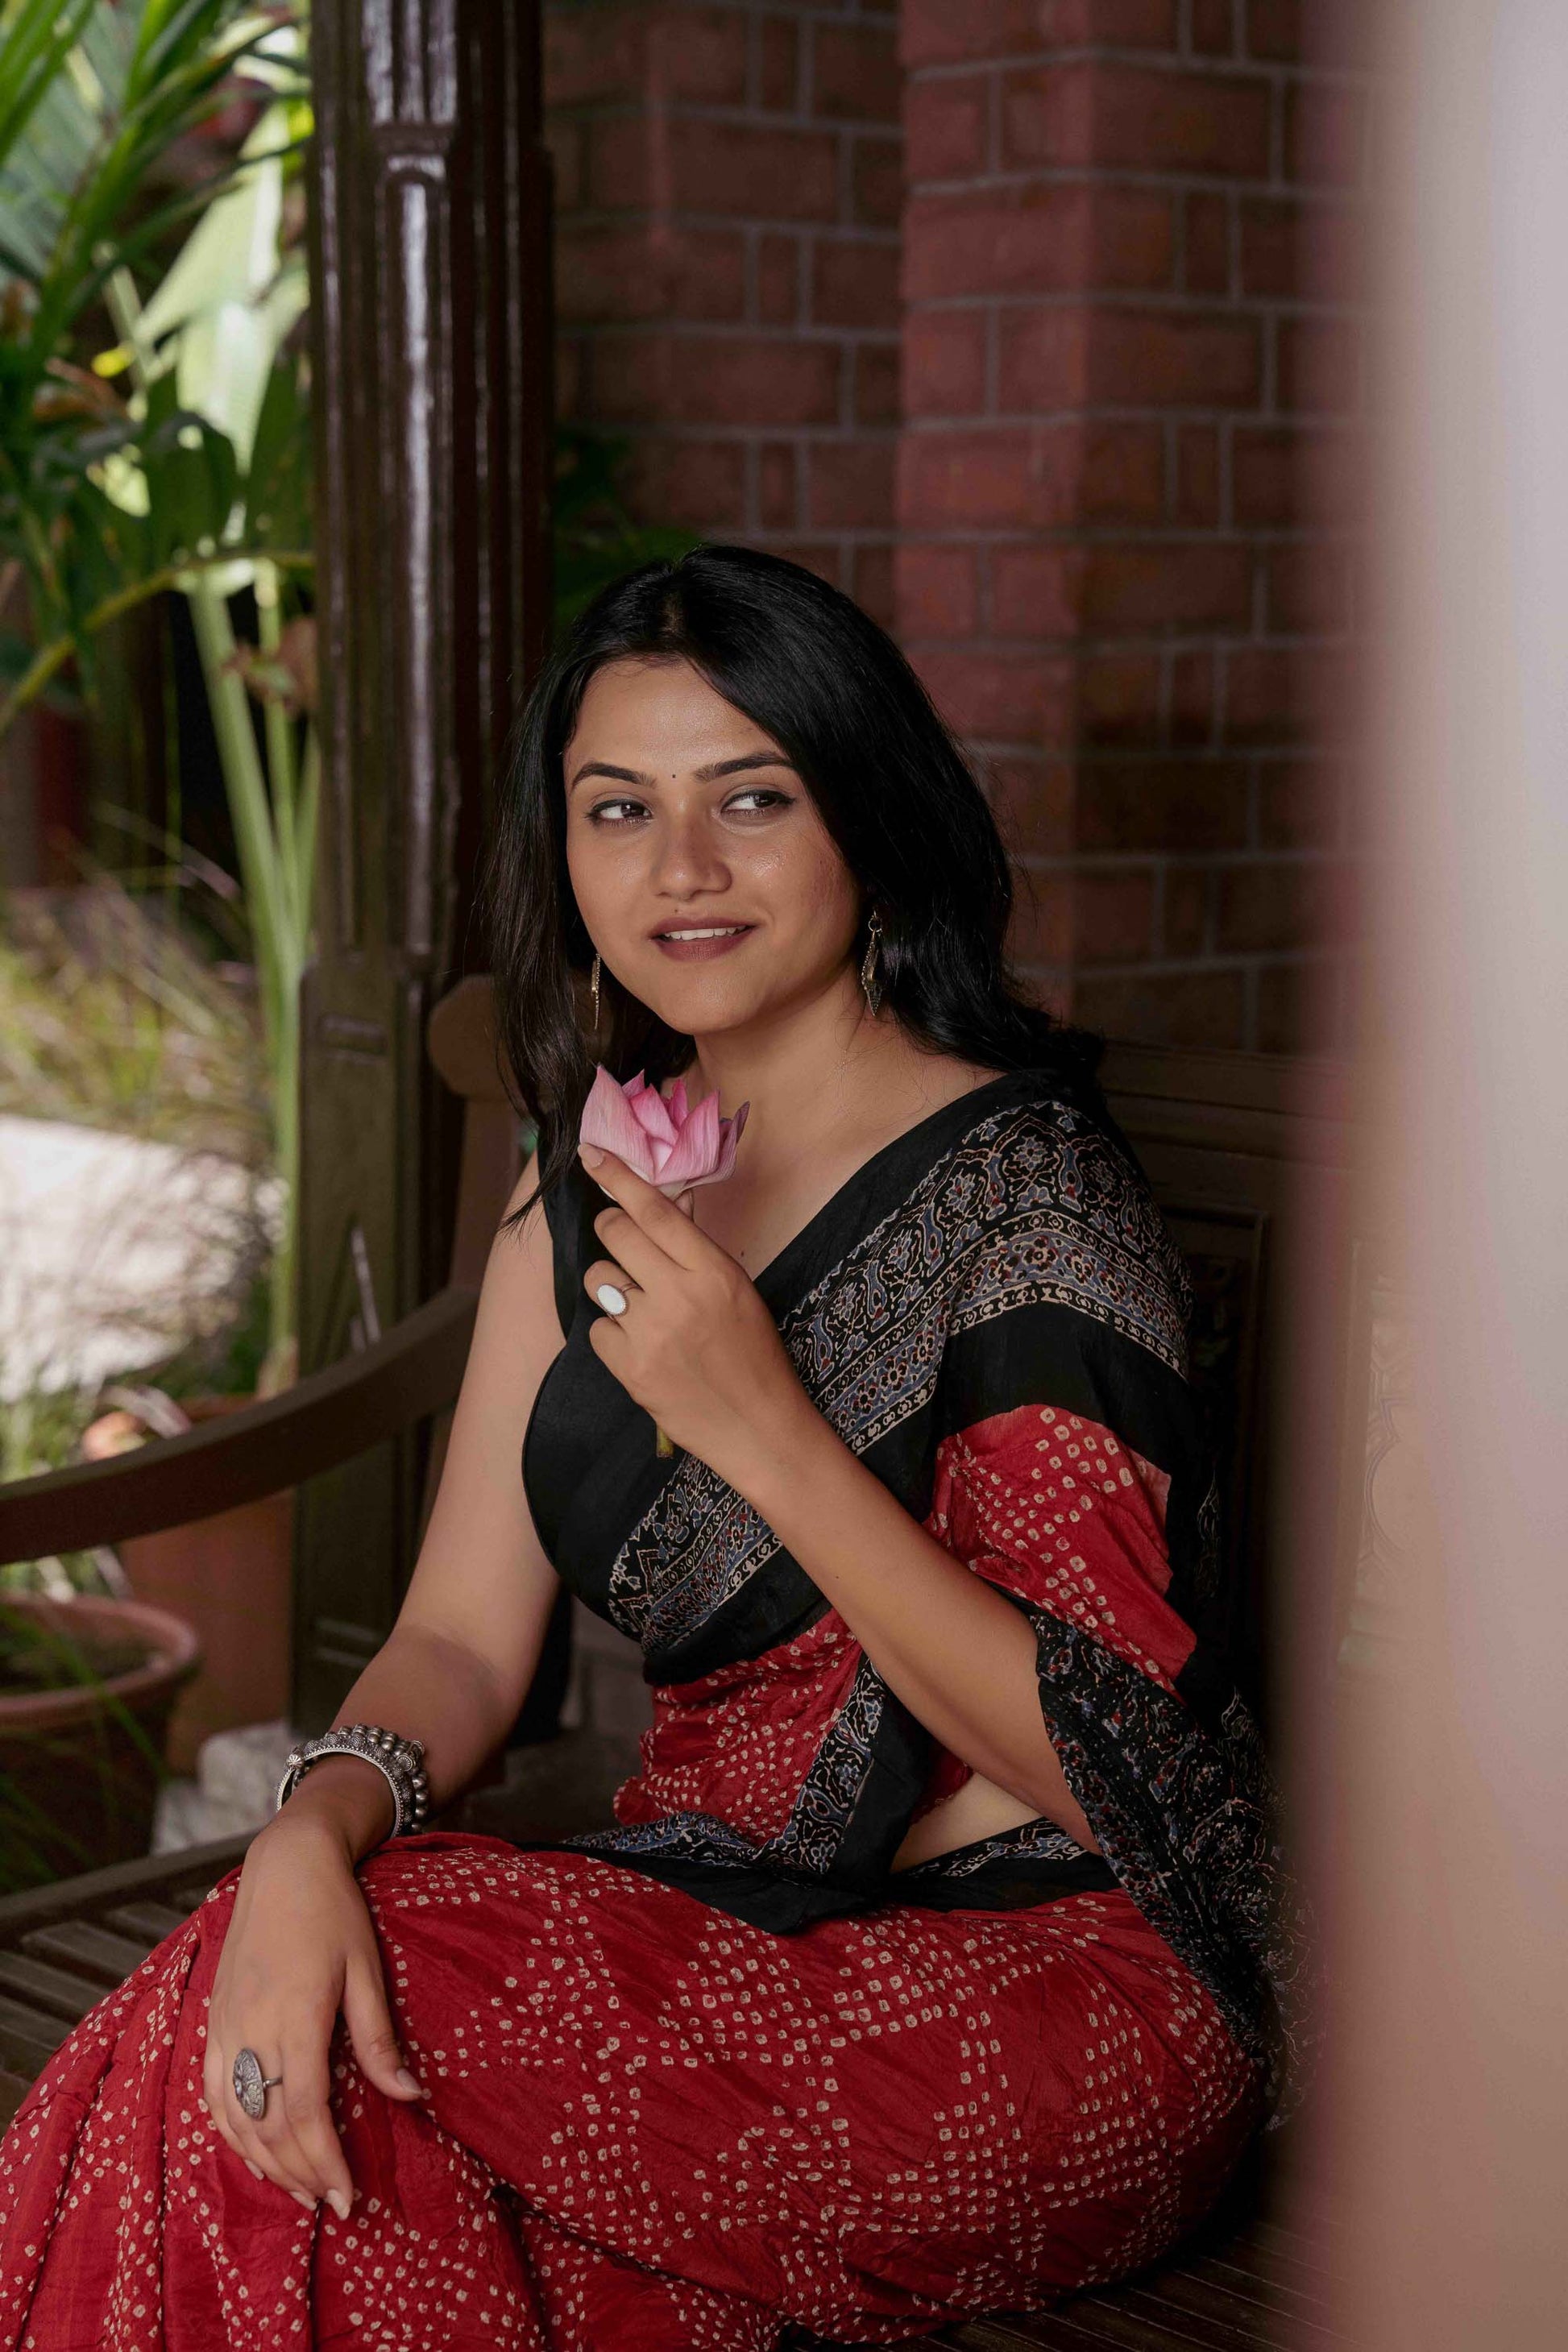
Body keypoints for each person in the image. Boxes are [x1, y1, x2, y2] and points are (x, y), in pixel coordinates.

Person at [0, 547, 1308, 2350]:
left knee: (321, 2025)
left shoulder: (1030, 1206)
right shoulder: (588, 1181)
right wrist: (309, 1830)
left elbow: (1119, 1778)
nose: (679, 867)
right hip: (714, 1929)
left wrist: (761, 1424)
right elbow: (458, 1639)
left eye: (750, 799)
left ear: (869, 820)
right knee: (286, 2066)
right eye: (618, 808)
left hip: (1057, 1987)